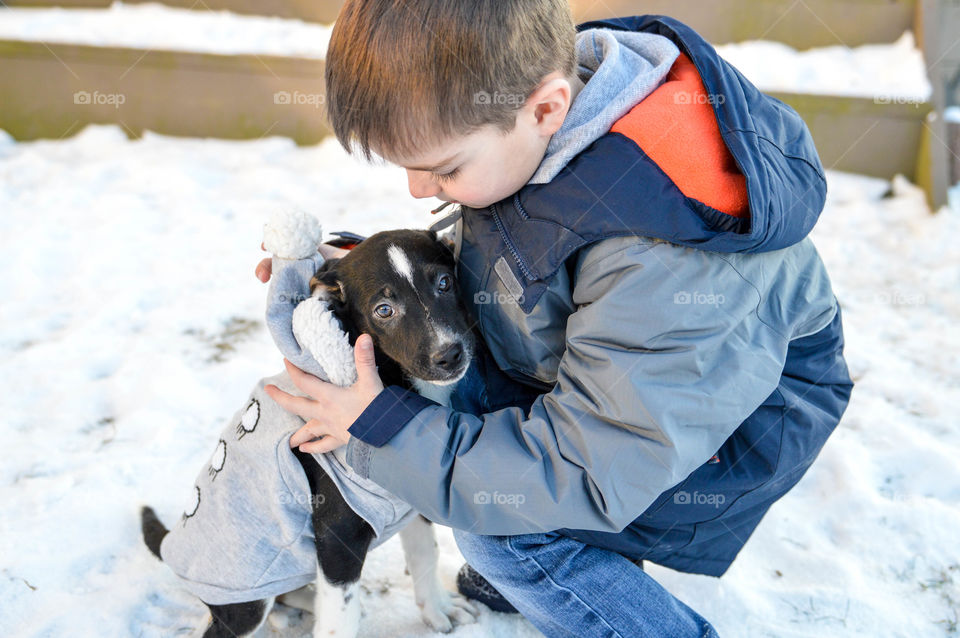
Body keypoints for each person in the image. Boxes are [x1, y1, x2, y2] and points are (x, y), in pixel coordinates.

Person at [256, 2, 854, 636]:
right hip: (620, 383)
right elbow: (520, 249)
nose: (417, 189)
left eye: (443, 168)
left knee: (501, 531)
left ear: (547, 109)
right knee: (467, 423)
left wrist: (383, 429)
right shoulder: (549, 113)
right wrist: (364, 276)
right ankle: (555, 566)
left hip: (728, 433)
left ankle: (581, 577)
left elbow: (587, 468)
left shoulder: (662, 260)